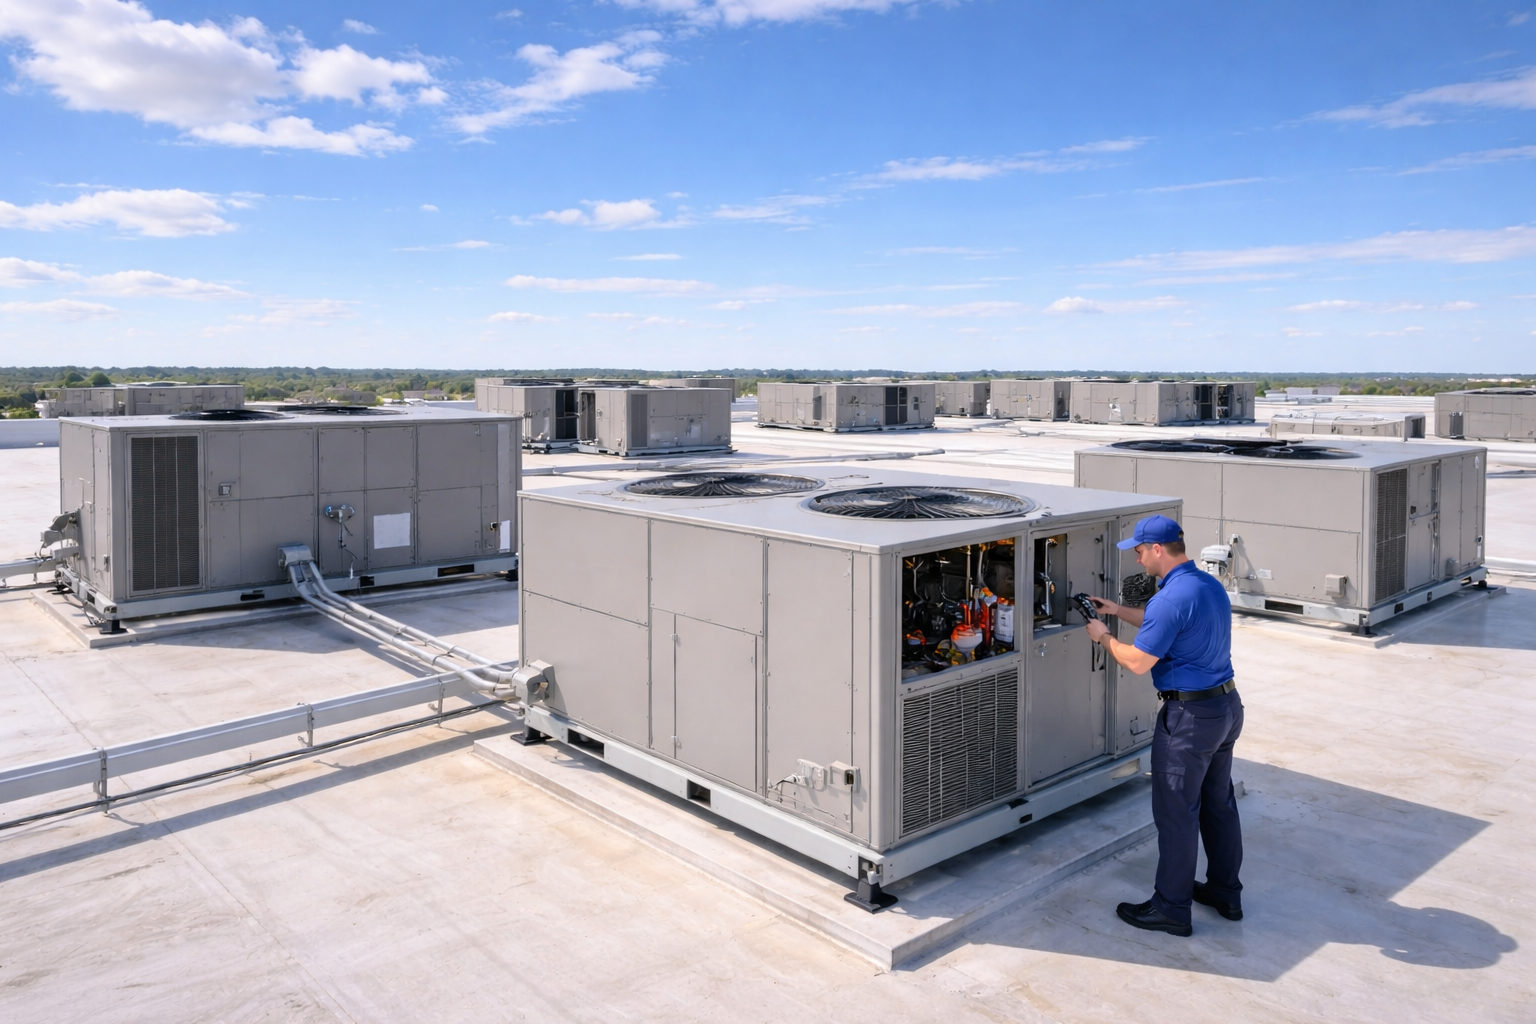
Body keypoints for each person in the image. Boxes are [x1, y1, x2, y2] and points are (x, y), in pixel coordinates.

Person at [1084, 514, 1244, 937]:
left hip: (1189, 721)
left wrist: (1102, 635)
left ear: (1157, 550)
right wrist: (1117, 611)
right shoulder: (1205, 585)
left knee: (1177, 814)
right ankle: (1226, 893)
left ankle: (1172, 908)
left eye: (1139, 551)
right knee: (1218, 804)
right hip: (1226, 708)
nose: (1137, 560)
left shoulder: (1170, 599)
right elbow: (1168, 625)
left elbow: (1138, 661)